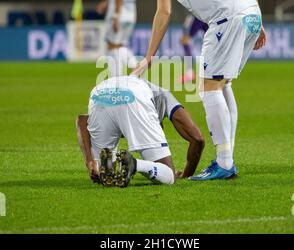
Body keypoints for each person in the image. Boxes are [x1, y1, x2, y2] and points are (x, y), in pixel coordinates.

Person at [133, 0, 267, 180]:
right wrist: (257, 19)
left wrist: (149, 55)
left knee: (208, 87)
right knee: (222, 83)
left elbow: (164, 11)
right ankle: (226, 157)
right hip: (251, 10)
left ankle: (225, 163)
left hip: (226, 17)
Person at [76, 75, 205, 187]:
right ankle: (134, 164)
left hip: (100, 92)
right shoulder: (163, 95)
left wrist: (90, 161)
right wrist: (185, 175)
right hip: (135, 95)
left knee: (106, 174)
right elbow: (197, 139)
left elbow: (82, 120)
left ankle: (100, 165)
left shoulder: (144, 88)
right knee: (168, 175)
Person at [178, 15, 208, 83]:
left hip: (198, 14)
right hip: (207, 14)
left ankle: (190, 73)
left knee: (184, 39)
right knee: (213, 40)